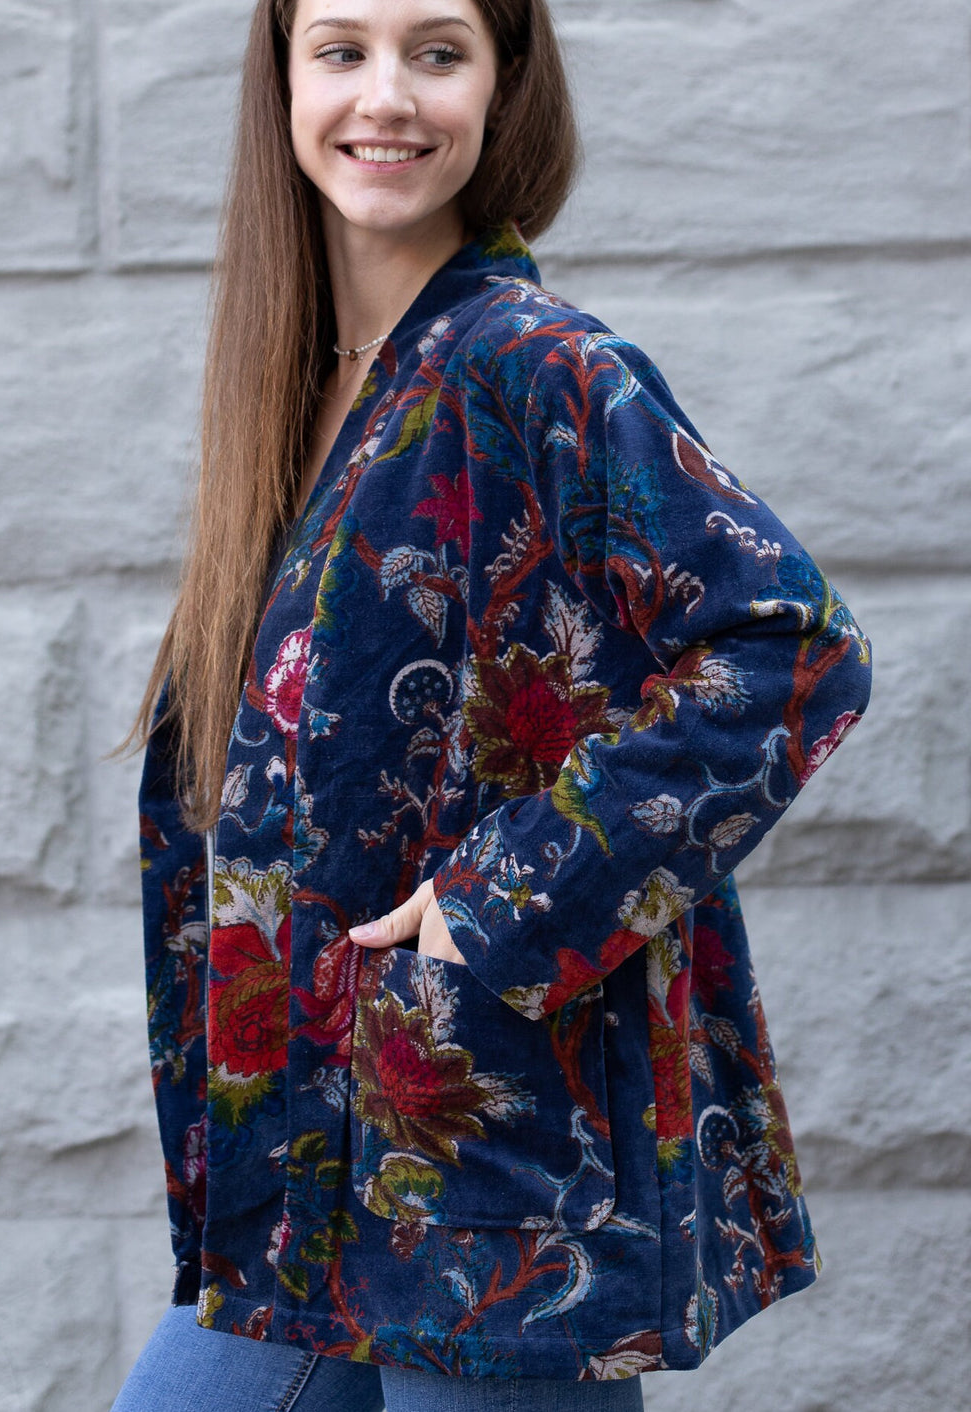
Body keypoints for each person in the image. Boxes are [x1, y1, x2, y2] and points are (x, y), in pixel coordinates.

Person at [113, 0, 873, 1407]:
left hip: (500, 1178)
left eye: (438, 50)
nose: (385, 95)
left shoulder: (538, 364)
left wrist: (498, 900)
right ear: (282, 80)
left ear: (503, 84)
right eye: (341, 49)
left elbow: (789, 650)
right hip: (309, 1170)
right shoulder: (307, 384)